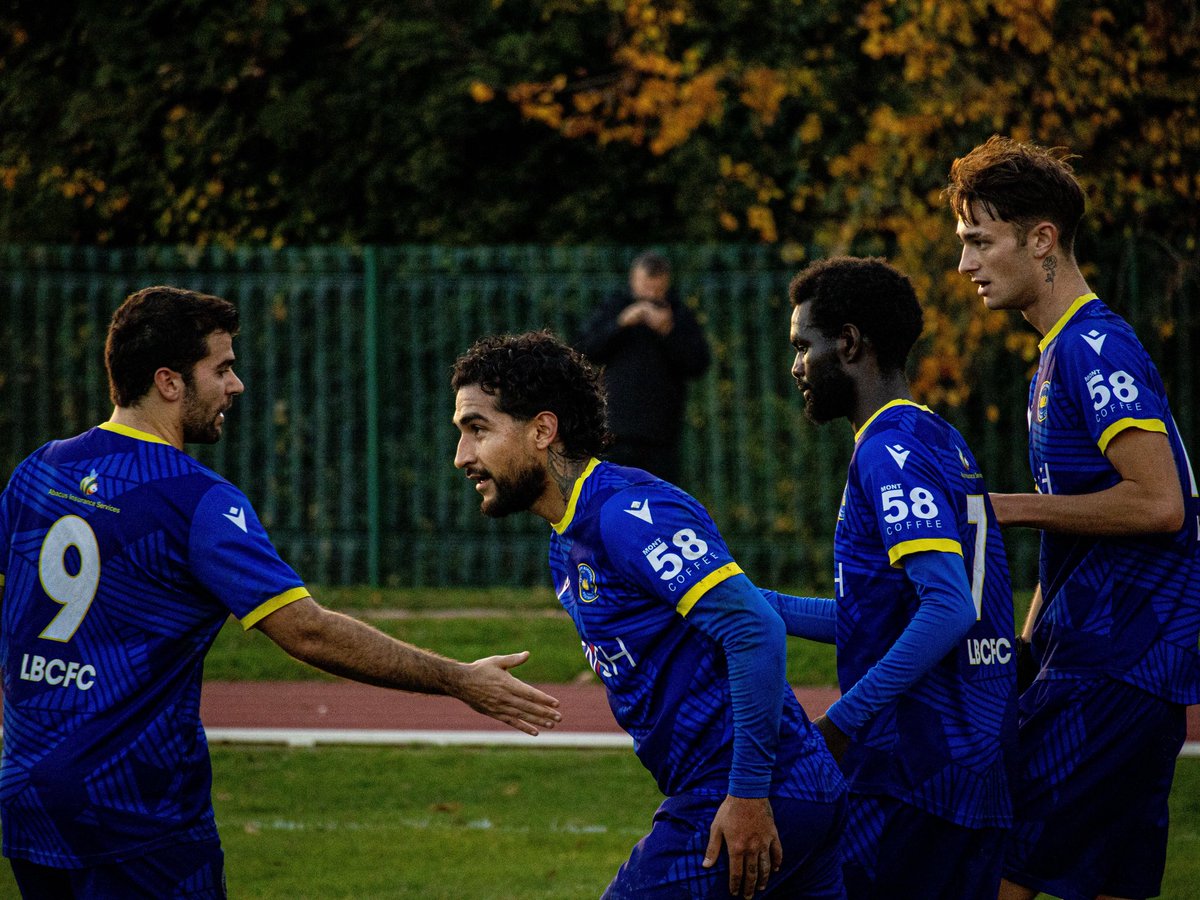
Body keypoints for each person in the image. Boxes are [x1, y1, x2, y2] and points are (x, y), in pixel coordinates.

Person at [0, 286, 561, 899]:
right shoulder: (195, 500)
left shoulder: (39, 470)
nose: (235, 385)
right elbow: (308, 631)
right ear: (169, 382)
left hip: (26, 799)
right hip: (133, 815)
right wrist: (460, 679)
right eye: (222, 368)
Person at [451, 331, 846, 899]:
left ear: (541, 430)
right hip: (787, 786)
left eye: (477, 429)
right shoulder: (567, 543)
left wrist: (748, 794)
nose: (462, 456)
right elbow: (754, 606)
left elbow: (753, 629)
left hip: (747, 790)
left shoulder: (625, 515)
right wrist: (873, 622)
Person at [946, 135, 1200, 900]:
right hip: (1118, 664)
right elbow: (1083, 526)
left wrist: (1002, 509)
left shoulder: (1095, 347)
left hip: (1117, 663)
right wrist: (1029, 645)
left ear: (1042, 239)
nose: (964, 264)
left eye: (980, 240)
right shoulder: (1061, 353)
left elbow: (1159, 504)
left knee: (994, 868)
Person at [781, 256, 1018, 898]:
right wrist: (749, 603)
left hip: (913, 771)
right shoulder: (937, 435)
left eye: (804, 346)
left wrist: (842, 722)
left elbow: (947, 607)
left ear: (849, 343)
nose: (797, 367)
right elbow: (880, 618)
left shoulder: (889, 450)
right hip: (971, 764)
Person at [576, 251, 711, 483]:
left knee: (658, 496)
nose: (650, 296)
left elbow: (698, 363)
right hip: (617, 429)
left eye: (657, 289)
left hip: (661, 433)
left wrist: (668, 332)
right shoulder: (614, 307)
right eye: (646, 287)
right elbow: (585, 348)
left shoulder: (677, 314)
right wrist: (620, 324)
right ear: (633, 280)